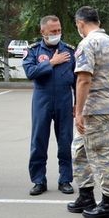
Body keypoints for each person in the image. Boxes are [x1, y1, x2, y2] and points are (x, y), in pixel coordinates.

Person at [66, 6, 109, 218]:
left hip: (93, 109)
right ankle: (86, 194)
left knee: (100, 154)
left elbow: (84, 79)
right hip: (106, 104)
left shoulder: (88, 43)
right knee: (79, 149)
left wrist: (79, 111)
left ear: (80, 23)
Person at [22, 15, 76, 195]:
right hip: (42, 100)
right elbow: (30, 72)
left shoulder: (69, 51)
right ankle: (38, 180)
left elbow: (77, 80)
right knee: (38, 141)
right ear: (42, 32)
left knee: (65, 142)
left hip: (64, 100)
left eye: (59, 30)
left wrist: (78, 103)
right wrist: (51, 62)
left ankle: (65, 180)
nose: (57, 34)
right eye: (53, 31)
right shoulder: (34, 51)